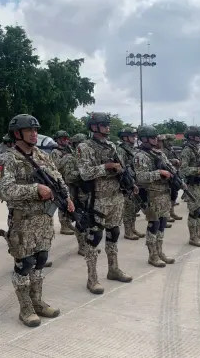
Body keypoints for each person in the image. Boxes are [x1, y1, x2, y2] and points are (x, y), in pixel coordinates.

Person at [0, 114, 71, 326]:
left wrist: (67, 198)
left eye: (36, 130)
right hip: (23, 222)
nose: (34, 134)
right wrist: (35, 189)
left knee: (40, 261)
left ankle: (38, 302)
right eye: (29, 130)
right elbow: (5, 190)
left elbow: (58, 178)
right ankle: (26, 308)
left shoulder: (42, 155)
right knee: (24, 264)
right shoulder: (8, 158)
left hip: (44, 220)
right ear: (17, 133)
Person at [76, 112, 133, 294]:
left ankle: (113, 269)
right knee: (94, 238)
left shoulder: (112, 146)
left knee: (114, 232)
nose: (108, 127)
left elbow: (122, 168)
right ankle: (92, 278)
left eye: (108, 124)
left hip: (116, 196)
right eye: (104, 124)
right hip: (98, 199)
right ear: (94, 127)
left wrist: (130, 184)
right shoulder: (84, 147)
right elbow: (84, 173)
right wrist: (106, 167)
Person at [133, 125, 176, 267]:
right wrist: (159, 173)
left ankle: (160, 252)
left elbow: (171, 168)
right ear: (144, 139)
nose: (156, 140)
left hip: (164, 194)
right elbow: (140, 177)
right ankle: (153, 255)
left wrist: (174, 175)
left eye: (156, 137)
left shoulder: (159, 153)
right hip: (151, 196)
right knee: (154, 224)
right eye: (152, 137)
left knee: (163, 224)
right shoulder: (140, 156)